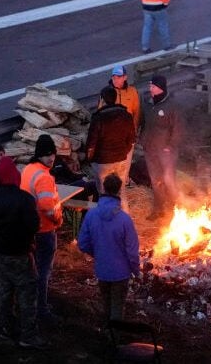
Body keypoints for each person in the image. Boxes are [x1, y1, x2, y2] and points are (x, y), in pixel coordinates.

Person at [0, 156, 47, 349]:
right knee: (27, 294)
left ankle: (7, 329)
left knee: (5, 292)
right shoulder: (25, 199)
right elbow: (34, 225)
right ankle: (28, 335)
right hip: (20, 254)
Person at [77, 173, 140, 324]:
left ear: (103, 189)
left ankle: (107, 334)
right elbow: (132, 251)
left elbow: (82, 243)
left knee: (106, 304)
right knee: (117, 308)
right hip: (121, 273)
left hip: (102, 271)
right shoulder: (125, 219)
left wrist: (98, 254)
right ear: (119, 191)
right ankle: (114, 342)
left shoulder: (91, 215)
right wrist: (136, 270)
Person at [20, 134, 64, 324]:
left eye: (53, 154)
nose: (51, 158)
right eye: (47, 155)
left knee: (32, 270)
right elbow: (47, 207)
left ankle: (31, 304)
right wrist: (58, 219)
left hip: (29, 228)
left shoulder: (29, 169)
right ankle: (42, 310)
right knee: (43, 271)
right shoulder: (44, 177)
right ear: (39, 155)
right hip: (44, 230)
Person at [87, 87, 136, 208]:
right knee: (121, 192)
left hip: (103, 162)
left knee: (104, 194)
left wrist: (90, 159)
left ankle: (107, 222)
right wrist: (124, 151)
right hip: (121, 159)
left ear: (102, 100)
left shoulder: (98, 118)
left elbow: (91, 145)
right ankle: (123, 219)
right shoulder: (126, 115)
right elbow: (131, 139)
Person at [143, 75, 183, 221]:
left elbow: (178, 128)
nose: (150, 88)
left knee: (169, 180)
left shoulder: (171, 106)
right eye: (150, 85)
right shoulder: (147, 103)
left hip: (166, 151)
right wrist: (143, 140)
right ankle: (158, 209)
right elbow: (142, 122)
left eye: (153, 86)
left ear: (160, 88)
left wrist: (170, 145)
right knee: (155, 180)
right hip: (150, 148)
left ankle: (175, 208)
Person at [103, 65, 142, 136]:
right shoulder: (106, 92)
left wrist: (134, 129)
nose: (116, 80)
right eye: (114, 77)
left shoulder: (132, 91)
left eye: (119, 77)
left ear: (125, 77)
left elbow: (136, 112)